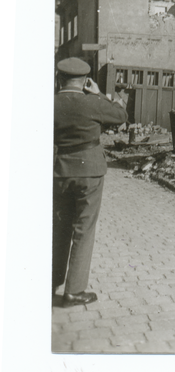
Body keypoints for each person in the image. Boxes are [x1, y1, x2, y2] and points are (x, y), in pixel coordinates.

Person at [53, 57, 128, 307]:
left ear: (59, 78)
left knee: (59, 228)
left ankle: (50, 283)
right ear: (85, 80)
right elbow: (120, 116)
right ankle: (74, 291)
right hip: (90, 171)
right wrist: (100, 95)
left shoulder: (50, 103)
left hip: (59, 170)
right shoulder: (92, 102)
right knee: (83, 230)